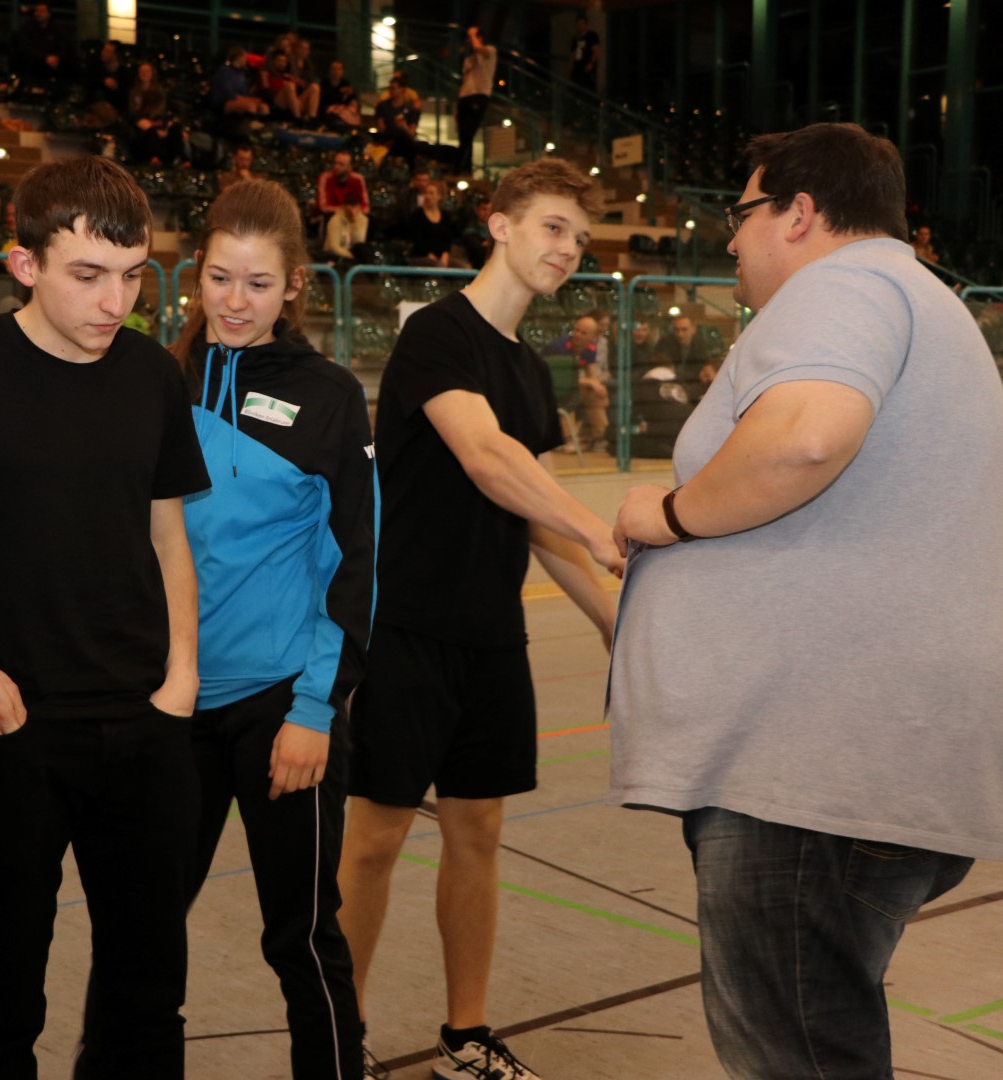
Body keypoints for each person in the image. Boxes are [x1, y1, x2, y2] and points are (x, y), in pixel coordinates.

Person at [609, 121, 1003, 1080]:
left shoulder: (845, 286)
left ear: (799, 214)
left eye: (742, 213)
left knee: (794, 1058)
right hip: (853, 757)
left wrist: (667, 515)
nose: (731, 239)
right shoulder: (909, 294)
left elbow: (805, 438)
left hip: (814, 768)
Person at [0, 155, 211, 1080]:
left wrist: (181, 678)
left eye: (133, 276)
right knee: (1, 994)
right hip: (9, 730)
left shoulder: (152, 374)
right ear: (25, 265)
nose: (116, 302)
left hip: (144, 723)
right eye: (89, 275)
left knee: (148, 994)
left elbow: (168, 536)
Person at [338, 157, 623, 1080]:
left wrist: (611, 618)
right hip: (405, 626)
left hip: (491, 635)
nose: (568, 249)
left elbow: (537, 519)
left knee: (479, 834)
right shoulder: (437, 334)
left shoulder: (530, 368)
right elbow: (487, 457)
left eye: (579, 238)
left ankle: (464, 1039)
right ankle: (337, 1034)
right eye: (552, 227)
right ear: (499, 224)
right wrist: (602, 529)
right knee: (375, 839)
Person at [172, 178, 376, 1080]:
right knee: (143, 930)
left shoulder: (328, 396)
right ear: (197, 273)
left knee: (300, 937)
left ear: (293, 284)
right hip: (172, 707)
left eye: (258, 284)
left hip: (280, 710)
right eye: (220, 278)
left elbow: (357, 565)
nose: (234, 302)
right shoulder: (157, 380)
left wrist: (314, 711)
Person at [551, 314, 608, 447]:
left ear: (592, 337)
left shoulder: (590, 349)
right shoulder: (559, 347)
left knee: (594, 394)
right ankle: (566, 438)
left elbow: (592, 375)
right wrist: (591, 383)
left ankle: (600, 436)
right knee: (575, 392)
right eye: (576, 330)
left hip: (570, 387)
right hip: (550, 389)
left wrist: (601, 392)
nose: (578, 335)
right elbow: (562, 381)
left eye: (584, 333)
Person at [126, 62, 184, 166]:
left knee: (176, 129)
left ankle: (179, 159)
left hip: (160, 121)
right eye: (142, 71)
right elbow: (135, 113)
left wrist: (165, 126)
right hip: (143, 124)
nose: (145, 74)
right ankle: (154, 158)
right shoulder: (134, 92)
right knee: (150, 130)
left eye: (147, 71)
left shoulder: (160, 91)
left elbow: (162, 111)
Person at [457, 25, 497, 175]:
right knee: (463, 135)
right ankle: (465, 168)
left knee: (468, 132)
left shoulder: (490, 51)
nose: (469, 41)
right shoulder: (468, 59)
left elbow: (478, 48)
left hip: (479, 96)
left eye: (472, 38)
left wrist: (472, 33)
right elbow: (464, 81)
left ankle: (461, 168)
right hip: (464, 97)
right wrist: (457, 104)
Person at [317, 149, 368, 261]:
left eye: (341, 164)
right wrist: (344, 209)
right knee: (328, 217)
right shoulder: (325, 177)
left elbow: (366, 206)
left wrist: (354, 211)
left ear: (349, 167)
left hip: (354, 217)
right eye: (335, 163)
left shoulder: (358, 179)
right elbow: (323, 206)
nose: (336, 167)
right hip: (333, 216)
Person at [406, 180, 461, 268]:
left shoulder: (445, 215)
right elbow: (418, 241)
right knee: (438, 266)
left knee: (463, 267)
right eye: (426, 193)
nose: (427, 196)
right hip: (421, 256)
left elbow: (448, 238)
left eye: (431, 193)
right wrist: (429, 255)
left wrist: (445, 254)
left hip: (441, 257)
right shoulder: (417, 215)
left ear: (439, 196)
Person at [372, 72, 421, 165]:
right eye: (390, 88)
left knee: (408, 142)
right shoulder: (383, 106)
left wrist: (404, 126)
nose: (391, 91)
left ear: (402, 89)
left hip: (405, 143)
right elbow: (381, 128)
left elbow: (412, 133)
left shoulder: (411, 110)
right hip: (387, 141)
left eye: (394, 88)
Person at [322, 59, 360, 131]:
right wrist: (339, 92)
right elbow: (325, 100)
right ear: (330, 71)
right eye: (334, 69)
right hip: (328, 113)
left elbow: (351, 98)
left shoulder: (345, 84)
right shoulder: (324, 83)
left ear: (342, 72)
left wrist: (352, 97)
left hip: (343, 113)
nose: (336, 71)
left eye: (339, 69)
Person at [569, 16, 599, 90]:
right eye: (578, 24)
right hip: (577, 68)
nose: (580, 26)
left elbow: (596, 50)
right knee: (575, 88)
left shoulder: (592, 36)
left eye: (582, 23)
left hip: (587, 67)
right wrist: (571, 66)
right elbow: (573, 54)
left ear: (586, 24)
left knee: (588, 88)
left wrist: (591, 63)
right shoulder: (575, 38)